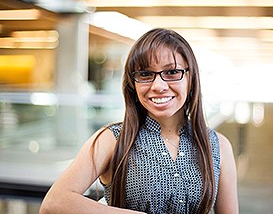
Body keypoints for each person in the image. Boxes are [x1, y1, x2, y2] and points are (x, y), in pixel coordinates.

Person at [39, 28, 238, 214]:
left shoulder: (217, 145)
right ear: (133, 84)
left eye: (171, 72)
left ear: (190, 77)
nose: (158, 86)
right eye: (145, 74)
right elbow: (54, 203)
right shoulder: (113, 139)